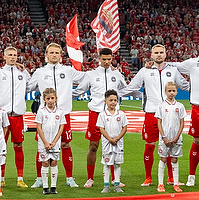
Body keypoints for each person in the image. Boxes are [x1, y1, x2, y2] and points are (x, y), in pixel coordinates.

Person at [118, 44, 189, 186]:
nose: (159, 55)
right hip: (151, 114)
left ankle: (170, 178)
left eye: (161, 52)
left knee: (170, 145)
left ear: (165, 54)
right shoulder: (144, 71)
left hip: (170, 115)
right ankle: (148, 178)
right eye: (156, 52)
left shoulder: (173, 70)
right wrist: (112, 95)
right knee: (150, 145)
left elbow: (185, 86)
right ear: (151, 55)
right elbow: (131, 87)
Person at [72, 48, 141, 188]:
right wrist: (63, 96)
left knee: (115, 146)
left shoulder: (117, 74)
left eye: (109, 59)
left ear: (112, 58)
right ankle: (90, 178)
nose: (106, 62)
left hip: (113, 116)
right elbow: (80, 91)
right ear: (99, 59)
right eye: (104, 59)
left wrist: (143, 95)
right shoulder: (91, 75)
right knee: (93, 146)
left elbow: (126, 89)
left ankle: (116, 179)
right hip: (96, 114)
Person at [28, 43, 85, 188]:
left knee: (66, 144)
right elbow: (27, 86)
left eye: (57, 52)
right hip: (45, 115)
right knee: (42, 146)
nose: (54, 55)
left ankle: (69, 178)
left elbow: (86, 78)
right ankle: (40, 178)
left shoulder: (68, 70)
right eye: (51, 52)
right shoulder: (39, 72)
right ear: (46, 55)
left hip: (63, 114)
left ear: (61, 55)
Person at [0, 47, 30, 188]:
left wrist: (25, 71)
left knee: (18, 146)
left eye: (15, 55)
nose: (13, 57)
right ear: (4, 57)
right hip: (3, 117)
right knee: (1, 147)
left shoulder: (22, 72)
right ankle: (0, 179)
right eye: (10, 55)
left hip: (18, 116)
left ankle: (20, 178)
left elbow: (29, 86)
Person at [155, 81, 186, 193]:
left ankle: (176, 184)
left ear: (177, 92)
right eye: (169, 91)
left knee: (174, 159)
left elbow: (182, 123)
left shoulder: (180, 106)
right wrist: (164, 137)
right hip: (164, 138)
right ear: (165, 92)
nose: (171, 93)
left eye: (173, 91)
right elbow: (159, 122)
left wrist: (177, 137)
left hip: (176, 138)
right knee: (163, 159)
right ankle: (160, 184)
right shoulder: (161, 106)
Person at [173, 57, 199, 186]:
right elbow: (175, 66)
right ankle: (191, 176)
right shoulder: (192, 63)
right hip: (197, 107)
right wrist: (155, 64)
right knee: (197, 141)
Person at [35, 88, 66, 195]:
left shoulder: (60, 112)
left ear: (56, 99)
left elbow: (61, 128)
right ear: (44, 99)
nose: (50, 100)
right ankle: (45, 187)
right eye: (48, 98)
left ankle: (53, 186)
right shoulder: (41, 112)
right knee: (44, 162)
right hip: (44, 142)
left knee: (54, 162)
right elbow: (39, 128)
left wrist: (54, 142)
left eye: (52, 98)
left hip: (55, 142)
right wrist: (45, 143)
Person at [97, 90, 128, 193]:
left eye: (115, 100)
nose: (113, 102)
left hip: (118, 143)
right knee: (106, 163)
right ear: (105, 101)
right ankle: (106, 185)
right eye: (111, 100)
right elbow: (101, 128)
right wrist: (110, 139)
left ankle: (117, 184)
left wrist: (117, 138)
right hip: (107, 143)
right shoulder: (102, 114)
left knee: (117, 164)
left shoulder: (121, 114)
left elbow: (124, 127)